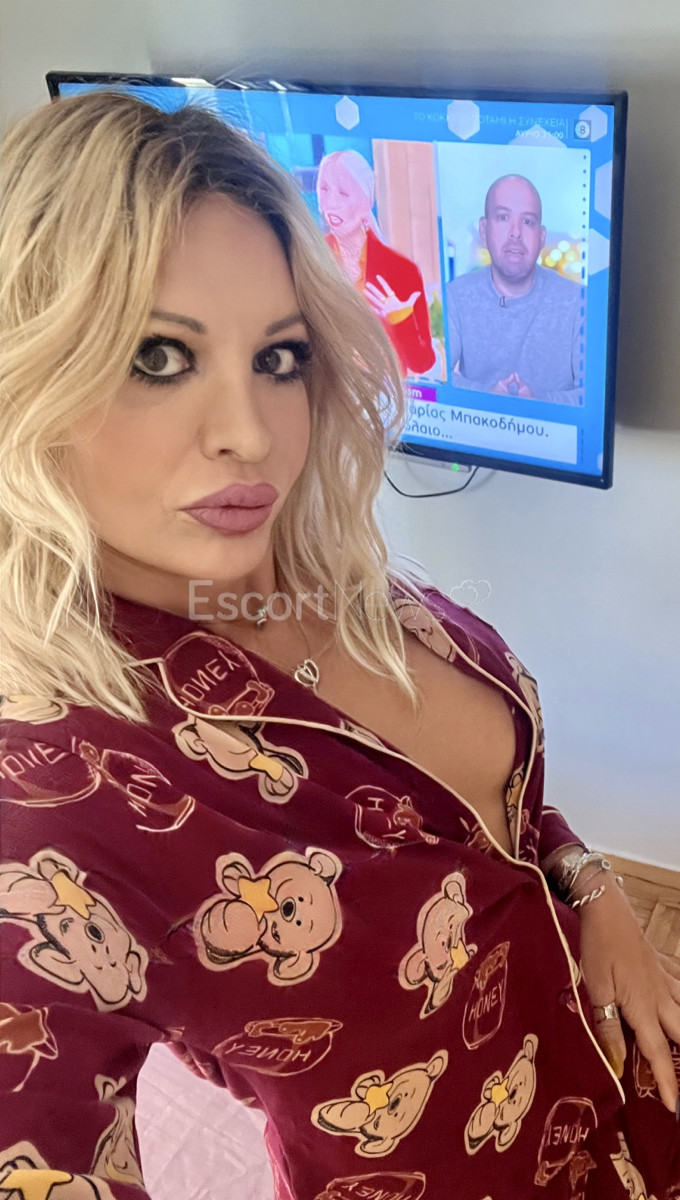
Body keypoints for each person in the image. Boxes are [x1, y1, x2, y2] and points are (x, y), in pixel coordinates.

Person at [0, 90, 679, 1200]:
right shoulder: (59, 795)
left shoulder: (323, 571)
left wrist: (595, 888)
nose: (251, 435)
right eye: (158, 355)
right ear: (31, 375)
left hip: (626, 1083)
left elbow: (485, 813)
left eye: (279, 357)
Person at [446, 174, 584, 404]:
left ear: (541, 237)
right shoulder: (455, 296)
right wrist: (487, 397)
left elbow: (592, 397)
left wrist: (538, 403)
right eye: (503, 217)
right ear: (484, 229)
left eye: (527, 221)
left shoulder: (579, 302)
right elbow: (436, 379)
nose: (515, 232)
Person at [317, 149, 436, 378]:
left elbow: (422, 362)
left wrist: (400, 318)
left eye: (343, 193)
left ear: (367, 201)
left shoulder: (402, 270)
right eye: (324, 189)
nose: (331, 203)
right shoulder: (310, 257)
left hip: (386, 394)